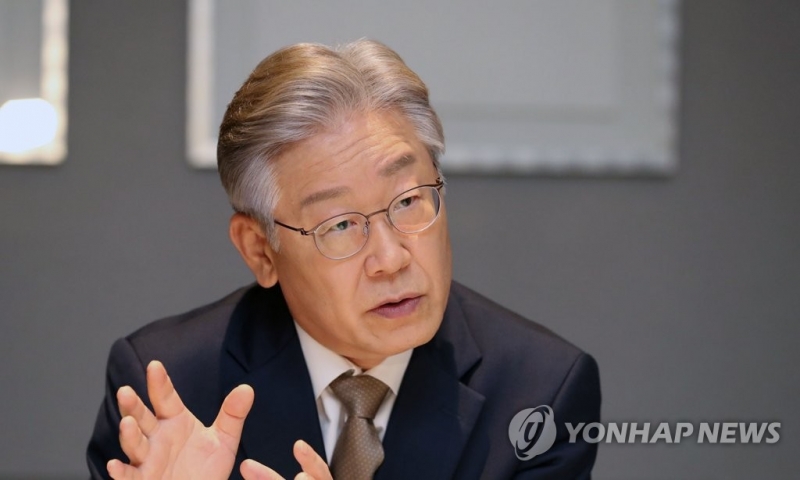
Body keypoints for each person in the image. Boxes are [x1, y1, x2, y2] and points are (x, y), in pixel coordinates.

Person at [87, 39, 601, 480]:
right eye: (339, 225)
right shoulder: (167, 393)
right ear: (260, 250)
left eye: (408, 201)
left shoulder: (540, 392)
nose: (391, 258)